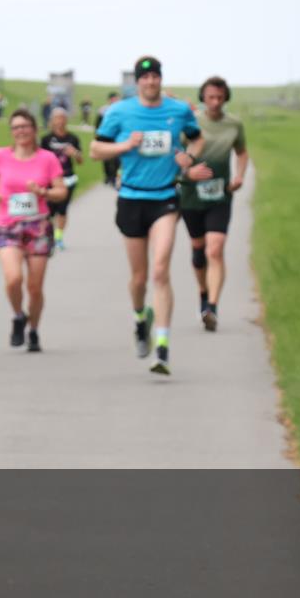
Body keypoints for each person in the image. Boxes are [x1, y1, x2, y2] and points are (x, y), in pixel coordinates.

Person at [90, 56, 204, 375]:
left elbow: (197, 136)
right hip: (131, 199)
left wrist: (189, 156)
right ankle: (140, 318)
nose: (151, 82)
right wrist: (125, 145)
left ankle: (163, 347)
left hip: (165, 198)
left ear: (161, 80)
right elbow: (95, 150)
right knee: (139, 279)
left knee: (159, 270)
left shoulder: (178, 111)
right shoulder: (119, 112)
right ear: (137, 82)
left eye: (155, 76)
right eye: (145, 77)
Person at [0, 109, 67, 351]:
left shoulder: (47, 158)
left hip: (38, 226)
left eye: (25, 126)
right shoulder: (1, 155)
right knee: (13, 279)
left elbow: (61, 191)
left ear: (34, 129)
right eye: (16, 127)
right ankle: (19, 315)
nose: (20, 131)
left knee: (35, 287)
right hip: (9, 225)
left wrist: (44, 192)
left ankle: (34, 330)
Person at [178, 76, 249, 331]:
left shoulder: (234, 124)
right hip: (191, 195)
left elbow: (241, 152)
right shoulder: (192, 123)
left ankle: (212, 307)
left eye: (220, 97)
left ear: (225, 97)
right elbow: (178, 155)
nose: (216, 102)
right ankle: (203, 291)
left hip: (220, 195)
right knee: (198, 250)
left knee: (215, 249)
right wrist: (186, 171)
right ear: (203, 98)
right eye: (211, 97)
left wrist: (240, 175)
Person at [39, 108, 82, 250]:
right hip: (50, 180)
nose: (60, 121)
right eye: (57, 118)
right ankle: (48, 236)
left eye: (62, 117)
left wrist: (74, 153)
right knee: (48, 211)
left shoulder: (73, 138)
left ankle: (58, 237)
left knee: (63, 210)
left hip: (68, 178)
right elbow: (38, 159)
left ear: (66, 120)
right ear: (52, 120)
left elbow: (81, 160)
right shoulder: (46, 139)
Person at [94, 92, 121, 186]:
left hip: (116, 138)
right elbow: (97, 124)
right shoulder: (103, 111)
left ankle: (114, 176)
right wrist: (97, 136)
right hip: (105, 138)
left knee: (116, 159)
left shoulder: (120, 110)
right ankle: (107, 176)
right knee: (106, 158)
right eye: (114, 99)